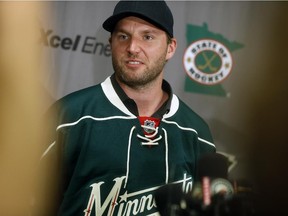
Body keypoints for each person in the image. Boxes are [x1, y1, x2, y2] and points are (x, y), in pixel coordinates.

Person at [33, 1, 216, 215]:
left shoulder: (196, 132)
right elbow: (24, 199)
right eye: (123, 36)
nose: (132, 47)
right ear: (111, 43)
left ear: (170, 48)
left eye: (147, 37)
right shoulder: (68, 116)